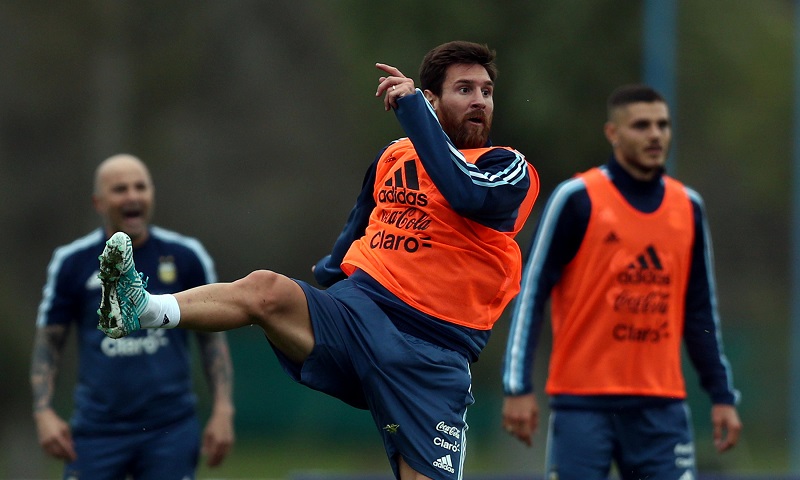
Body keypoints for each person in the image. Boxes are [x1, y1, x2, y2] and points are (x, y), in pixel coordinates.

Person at [94, 41, 539, 480]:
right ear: (431, 98)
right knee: (265, 290)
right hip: (358, 314)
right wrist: (329, 269)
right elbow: (359, 225)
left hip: (431, 353)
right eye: (464, 89)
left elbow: (467, 192)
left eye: (486, 91)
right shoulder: (396, 155)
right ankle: (144, 307)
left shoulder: (508, 167)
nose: (479, 100)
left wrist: (417, 120)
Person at [500, 84, 742, 479]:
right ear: (613, 134)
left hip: (660, 408)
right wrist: (517, 386)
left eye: (662, 125)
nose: (655, 135)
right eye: (641, 125)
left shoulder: (688, 208)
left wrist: (721, 395)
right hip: (583, 405)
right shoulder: (576, 199)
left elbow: (699, 312)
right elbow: (531, 293)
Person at [31, 154, 235, 480]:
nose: (132, 196)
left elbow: (212, 337)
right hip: (97, 430)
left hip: (170, 428)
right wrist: (43, 411)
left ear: (152, 193)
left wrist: (223, 408)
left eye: (140, 187)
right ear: (98, 202)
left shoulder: (186, 256)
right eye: (120, 189)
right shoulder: (71, 262)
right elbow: (49, 342)